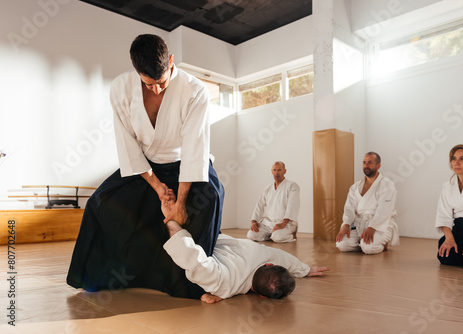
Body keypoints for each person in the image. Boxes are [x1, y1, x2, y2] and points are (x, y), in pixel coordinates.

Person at [66, 34, 224, 299]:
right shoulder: (120, 88)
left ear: (171, 62)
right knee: (100, 202)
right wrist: (158, 187)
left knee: (212, 197)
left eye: (162, 82)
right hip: (146, 165)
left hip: (186, 162)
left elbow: (194, 148)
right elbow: (127, 144)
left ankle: (197, 283)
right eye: (148, 84)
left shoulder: (194, 90)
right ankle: (99, 276)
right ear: (136, 71)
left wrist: (180, 202)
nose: (157, 90)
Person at [161, 199, 329, 303]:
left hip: (207, 234)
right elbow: (193, 260)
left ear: (269, 264)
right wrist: (171, 221)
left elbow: (284, 258)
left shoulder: (264, 255)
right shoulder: (226, 286)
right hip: (197, 238)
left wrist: (305, 269)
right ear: (261, 296)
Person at [335, 152, 399, 255]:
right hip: (359, 223)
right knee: (342, 245)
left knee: (369, 248)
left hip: (380, 224)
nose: (366, 166)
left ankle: (379, 243)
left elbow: (384, 210)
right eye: (364, 162)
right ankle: (362, 242)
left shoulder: (387, 185)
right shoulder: (355, 187)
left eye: (370, 162)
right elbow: (349, 208)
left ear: (378, 166)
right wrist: (346, 224)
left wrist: (372, 227)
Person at [247, 161, 300, 243]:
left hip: (286, 224)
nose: (276, 173)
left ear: (284, 171)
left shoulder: (292, 185)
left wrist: (283, 223)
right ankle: (271, 235)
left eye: (279, 170)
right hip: (269, 223)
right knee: (251, 235)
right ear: (271, 171)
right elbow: (259, 205)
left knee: (277, 237)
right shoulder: (268, 188)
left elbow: (292, 205)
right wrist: (254, 221)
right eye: (274, 170)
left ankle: (292, 235)